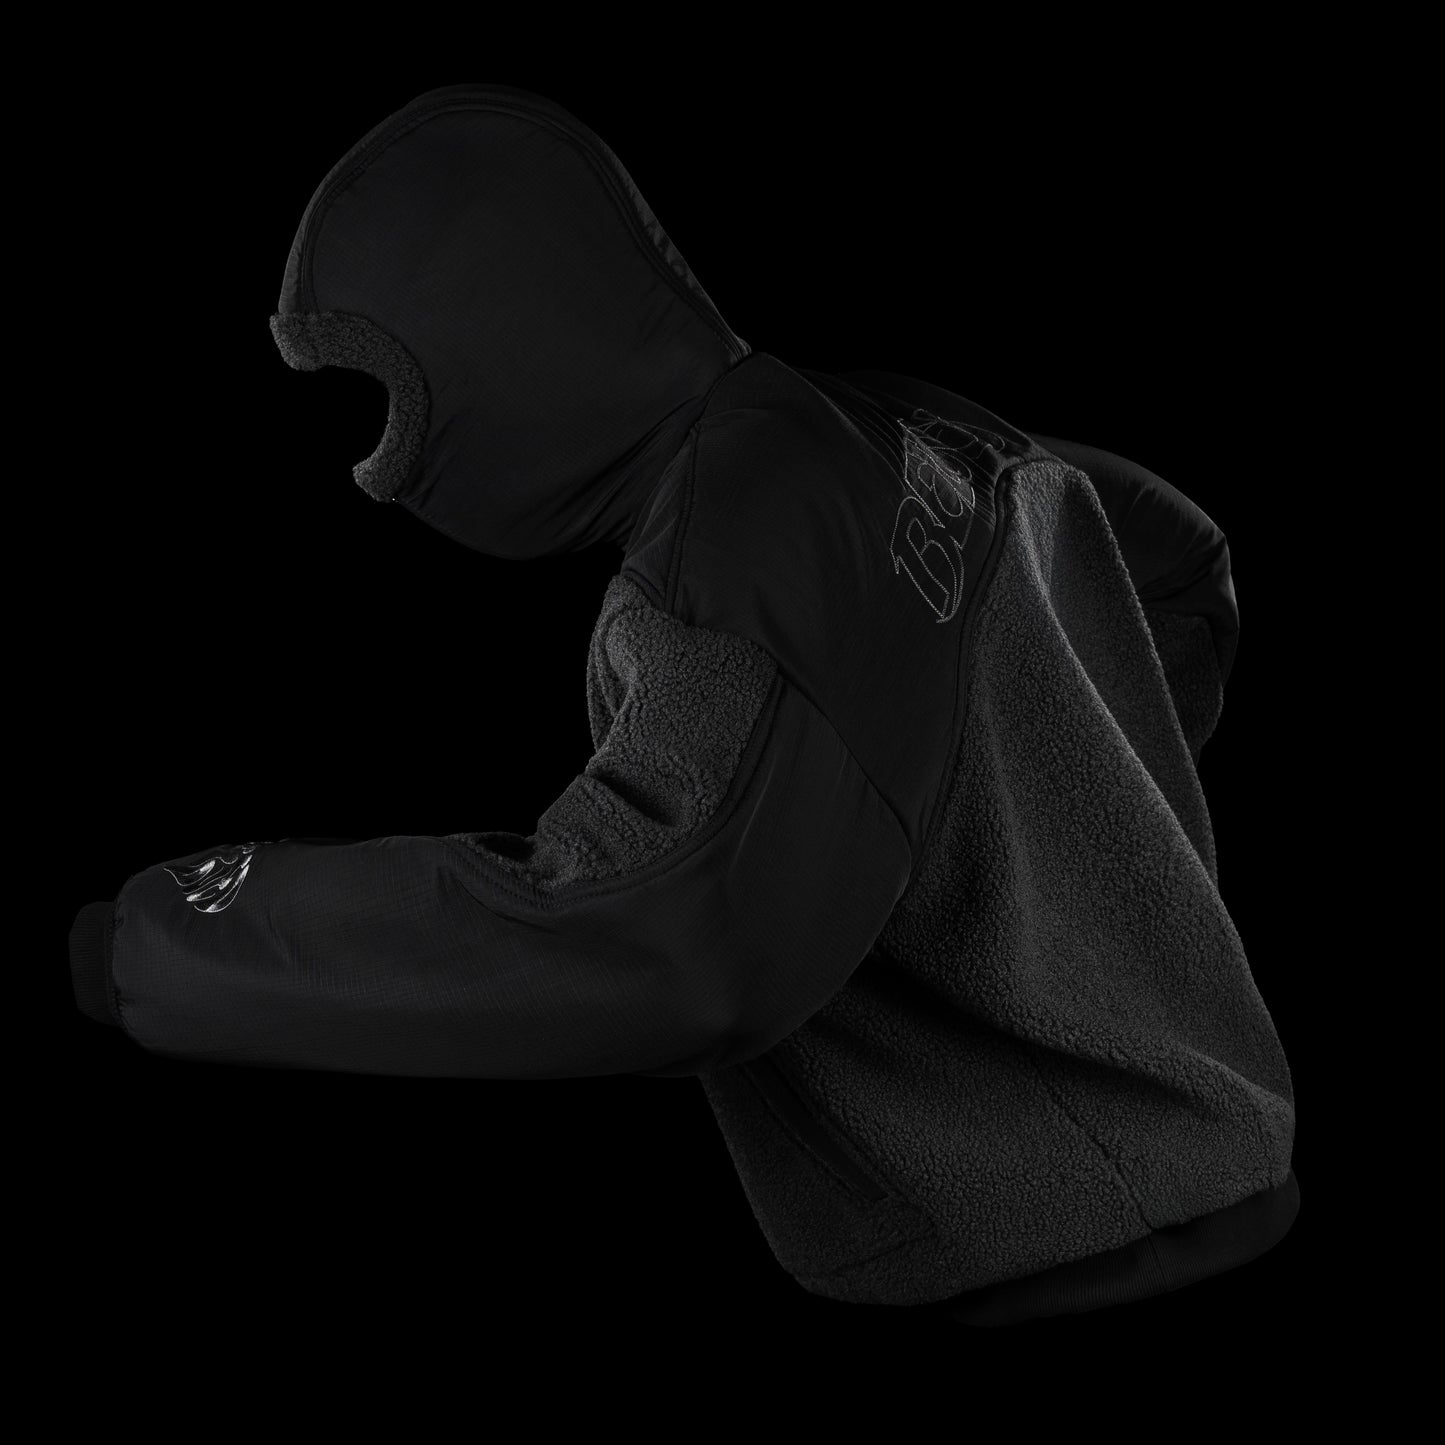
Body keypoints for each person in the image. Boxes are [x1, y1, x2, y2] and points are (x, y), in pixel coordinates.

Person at [67, 84, 1297, 1326]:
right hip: (1221, 1153)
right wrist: (1051, 837)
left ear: (497, 335)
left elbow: (665, 938)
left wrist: (163, 944)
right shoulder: (894, 423)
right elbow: (1174, 565)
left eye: (377, 391)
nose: (380, 470)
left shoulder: (725, 573)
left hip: (1056, 1259)